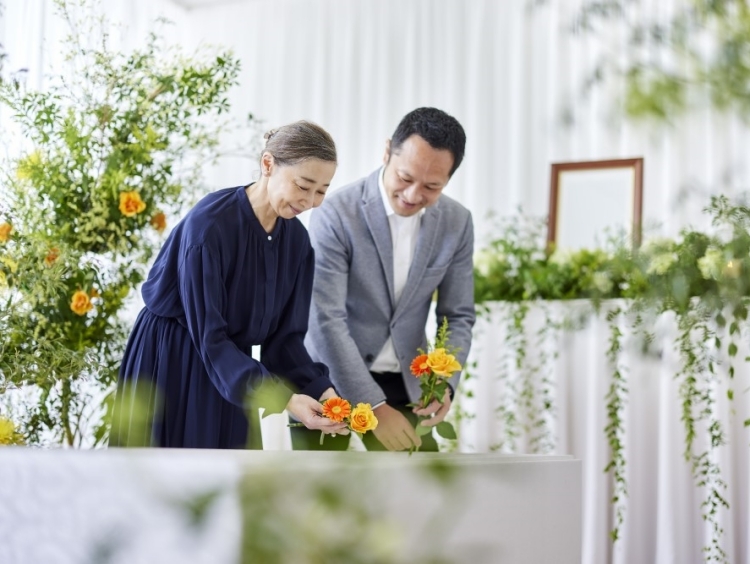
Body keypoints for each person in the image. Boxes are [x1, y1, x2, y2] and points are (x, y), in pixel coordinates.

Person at [110, 121, 348, 449]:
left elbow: (285, 341)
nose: (310, 201)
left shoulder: (297, 243)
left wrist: (323, 392)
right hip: (172, 360)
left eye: (321, 191)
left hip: (234, 369)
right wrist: (287, 400)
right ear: (268, 164)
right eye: (303, 186)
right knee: (169, 471)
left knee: (228, 472)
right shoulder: (208, 227)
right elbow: (210, 337)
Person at [292, 107, 475, 452]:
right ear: (387, 151)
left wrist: (444, 384)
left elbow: (458, 315)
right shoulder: (336, 213)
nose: (413, 195)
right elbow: (324, 317)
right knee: (319, 486)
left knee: (416, 484)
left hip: (406, 381)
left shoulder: (457, 222)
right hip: (326, 379)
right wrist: (373, 406)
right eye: (405, 178)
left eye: (432, 186)